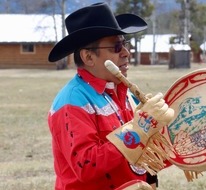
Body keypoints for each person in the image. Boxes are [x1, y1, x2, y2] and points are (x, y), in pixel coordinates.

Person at [47, 2, 174, 190]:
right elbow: (86, 166)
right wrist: (139, 129)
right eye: (116, 47)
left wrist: (186, 149)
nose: (126, 53)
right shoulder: (71, 102)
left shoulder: (126, 93)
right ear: (88, 57)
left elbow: (146, 155)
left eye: (125, 44)